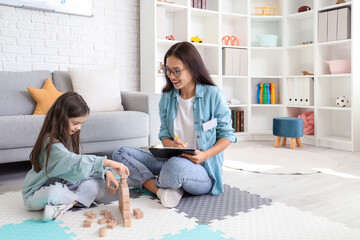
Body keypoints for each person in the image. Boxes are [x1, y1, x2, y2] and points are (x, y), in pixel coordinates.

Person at [113, 41, 236, 208]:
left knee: (175, 167)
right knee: (120, 153)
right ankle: (161, 190)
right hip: (172, 159)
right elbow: (164, 134)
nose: (171, 76)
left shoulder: (213, 95)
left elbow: (228, 135)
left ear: (192, 68)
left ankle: (150, 179)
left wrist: (204, 155)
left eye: (177, 71)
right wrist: (171, 144)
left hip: (202, 168)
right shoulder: (167, 97)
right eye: (168, 70)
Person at [22, 92, 129, 222]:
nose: (79, 128)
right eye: (76, 123)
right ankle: (74, 200)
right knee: (55, 192)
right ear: (61, 118)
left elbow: (80, 164)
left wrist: (105, 172)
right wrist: (108, 163)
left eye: (81, 123)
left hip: (65, 184)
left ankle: (64, 205)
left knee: (97, 182)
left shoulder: (68, 137)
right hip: (37, 194)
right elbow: (73, 161)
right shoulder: (51, 144)